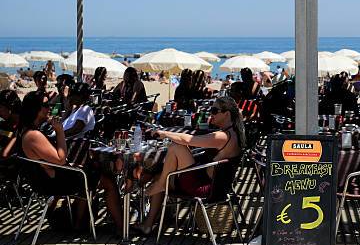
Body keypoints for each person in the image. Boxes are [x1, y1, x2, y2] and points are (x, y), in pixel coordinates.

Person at [16, 90, 123, 234]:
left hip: (48, 179)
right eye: (46, 105)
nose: (50, 108)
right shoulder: (33, 135)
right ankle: (122, 228)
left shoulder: (27, 131)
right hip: (52, 183)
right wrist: (60, 131)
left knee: (91, 170)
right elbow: (60, 159)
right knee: (108, 181)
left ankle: (80, 224)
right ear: (35, 109)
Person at [137, 97, 245, 235]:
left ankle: (150, 190)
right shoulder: (234, 133)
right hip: (217, 185)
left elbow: (189, 139)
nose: (211, 114)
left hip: (204, 188)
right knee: (160, 175)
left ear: (227, 114)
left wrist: (165, 134)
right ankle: (148, 224)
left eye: (214, 110)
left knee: (175, 147)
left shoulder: (223, 137)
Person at [0, 90, 21, 158]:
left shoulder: (22, 126)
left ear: (10, 108)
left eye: (0, 108)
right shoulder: (5, 123)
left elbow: (5, 154)